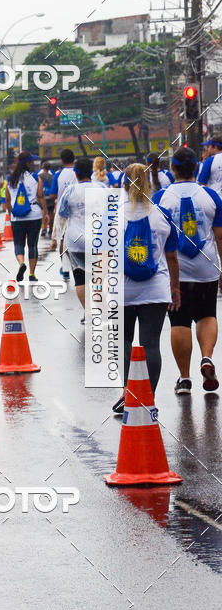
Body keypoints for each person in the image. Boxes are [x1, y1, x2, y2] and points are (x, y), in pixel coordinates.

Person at [111, 163, 180, 415]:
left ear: (125, 185)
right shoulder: (162, 215)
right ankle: (147, 398)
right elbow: (172, 257)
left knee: (124, 341)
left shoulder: (113, 215)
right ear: (149, 184)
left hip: (122, 290)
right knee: (151, 344)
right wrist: (175, 288)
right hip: (156, 289)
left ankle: (129, 394)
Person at [154, 146, 222, 395]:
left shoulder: (161, 198)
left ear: (172, 169)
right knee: (206, 315)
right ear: (196, 168)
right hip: (206, 268)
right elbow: (221, 238)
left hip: (176, 271)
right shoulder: (212, 197)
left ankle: (184, 378)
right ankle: (206, 357)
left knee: (179, 321)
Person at [52, 157, 108, 322]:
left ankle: (88, 313)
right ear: (91, 172)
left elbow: (60, 218)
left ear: (75, 174)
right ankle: (102, 311)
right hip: (99, 240)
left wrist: (55, 239)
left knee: (80, 278)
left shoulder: (70, 191)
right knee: (100, 276)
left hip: (76, 241)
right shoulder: (103, 188)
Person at [6, 151, 47, 282]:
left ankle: (21, 263)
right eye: (31, 162)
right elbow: (40, 196)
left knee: (19, 244)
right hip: (34, 215)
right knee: (32, 245)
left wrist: (10, 213)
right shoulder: (36, 178)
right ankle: (31, 273)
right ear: (28, 163)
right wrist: (45, 213)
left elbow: (7, 200)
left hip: (17, 217)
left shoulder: (10, 179)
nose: (33, 164)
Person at [48, 149, 77, 280]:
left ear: (62, 160)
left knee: (63, 240)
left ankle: (65, 268)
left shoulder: (58, 174)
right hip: (79, 210)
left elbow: (52, 194)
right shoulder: (79, 171)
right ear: (74, 158)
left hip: (62, 212)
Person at [37, 160, 54, 236]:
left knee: (43, 212)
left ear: (42, 167)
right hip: (50, 197)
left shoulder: (39, 176)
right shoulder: (52, 177)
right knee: (51, 213)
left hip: (42, 197)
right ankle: (50, 229)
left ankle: (44, 229)